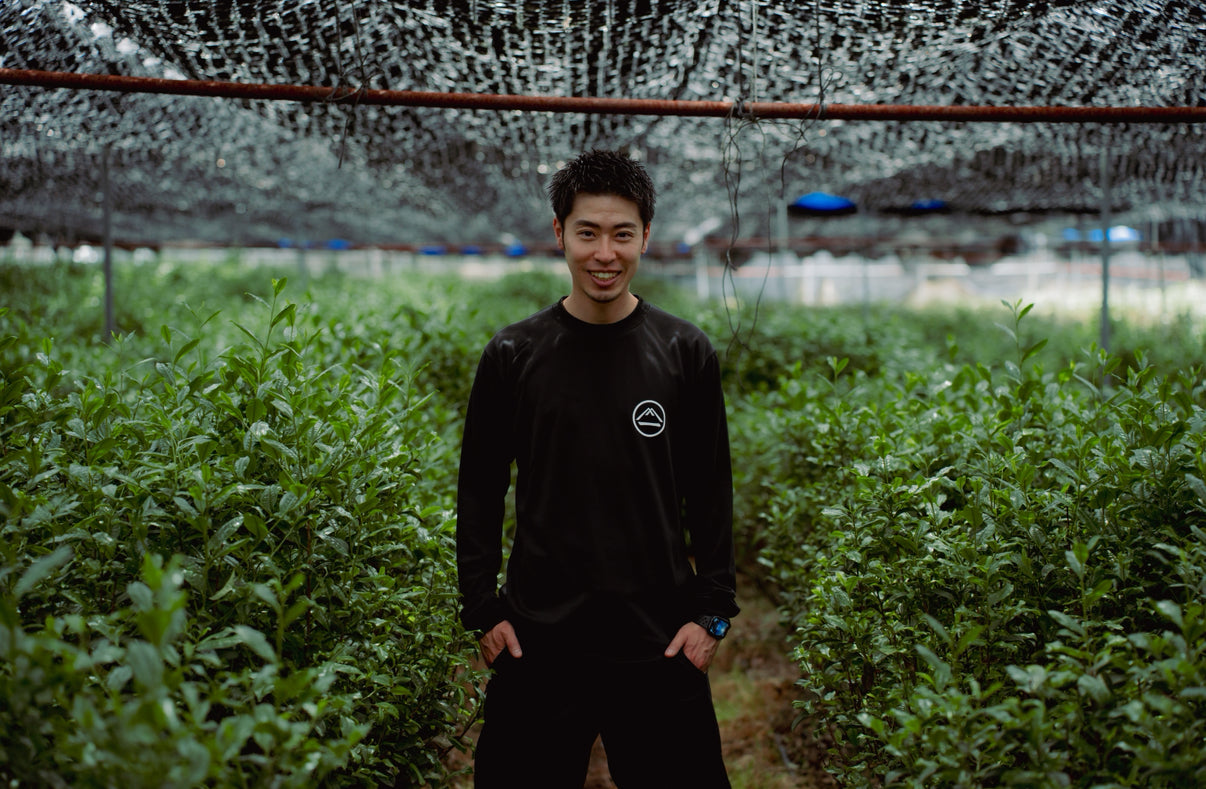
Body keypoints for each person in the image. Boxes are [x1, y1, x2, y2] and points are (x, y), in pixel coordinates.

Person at [456, 149, 738, 788]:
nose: (604, 254)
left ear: (645, 237)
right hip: (538, 644)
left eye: (621, 234)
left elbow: (711, 492)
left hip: (659, 642)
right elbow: (479, 490)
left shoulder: (684, 351)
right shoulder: (513, 354)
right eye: (587, 233)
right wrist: (482, 610)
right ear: (560, 233)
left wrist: (712, 614)